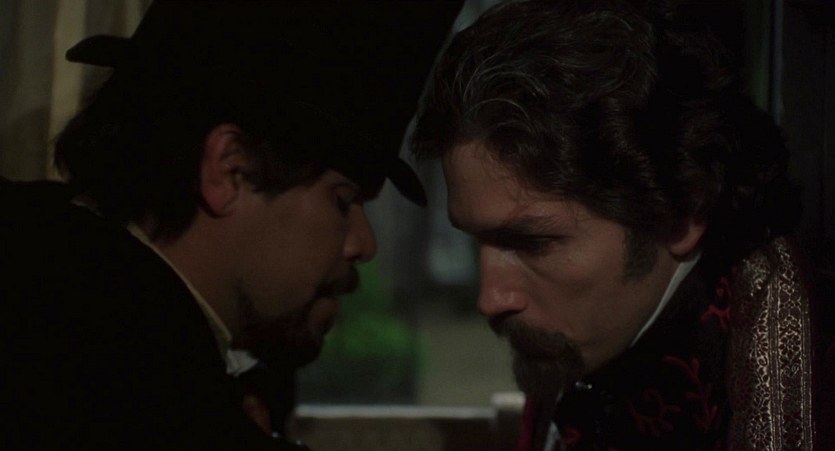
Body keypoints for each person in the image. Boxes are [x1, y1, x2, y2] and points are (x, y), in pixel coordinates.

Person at [0, 1, 460, 449]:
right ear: (230, 171)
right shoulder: (124, 387)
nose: (364, 243)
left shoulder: (68, 295)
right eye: (343, 201)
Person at [411, 0, 834, 449]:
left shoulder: (787, 354)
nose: (490, 299)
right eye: (477, 241)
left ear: (680, 211)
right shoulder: (579, 345)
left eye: (534, 243)